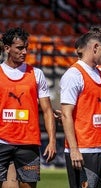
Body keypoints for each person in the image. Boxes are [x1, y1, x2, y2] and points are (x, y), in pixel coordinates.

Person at [60, 26, 101, 188]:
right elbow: (66, 115)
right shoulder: (74, 75)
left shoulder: (100, 75)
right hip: (83, 151)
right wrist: (74, 150)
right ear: (95, 47)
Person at [0, 27, 56, 188]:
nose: (24, 52)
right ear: (7, 48)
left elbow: (47, 111)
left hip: (28, 142)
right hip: (2, 141)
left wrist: (52, 141)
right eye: (19, 48)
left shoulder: (36, 74)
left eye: (26, 48)